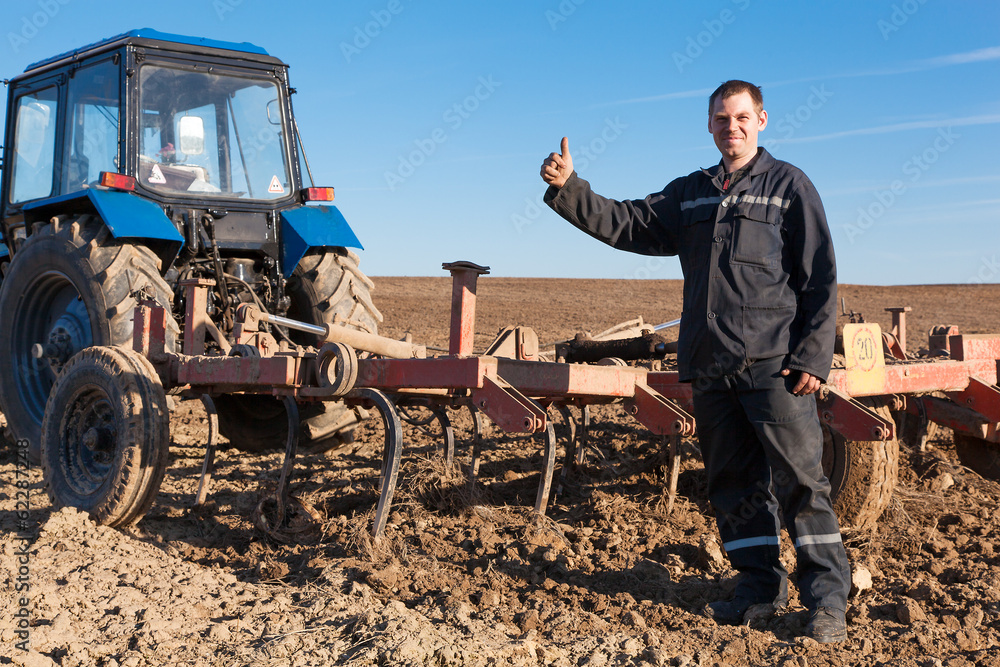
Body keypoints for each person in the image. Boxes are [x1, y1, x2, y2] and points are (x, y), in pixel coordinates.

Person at [539, 80, 850, 644]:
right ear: (709, 126)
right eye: (719, 119)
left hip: (774, 364)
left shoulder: (788, 187)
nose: (730, 128)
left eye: (740, 118)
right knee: (732, 483)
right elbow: (630, 223)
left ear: (760, 121)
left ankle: (827, 600)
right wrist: (570, 189)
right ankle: (758, 586)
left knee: (802, 483)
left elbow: (820, 277)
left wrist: (813, 356)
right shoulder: (692, 192)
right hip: (711, 366)